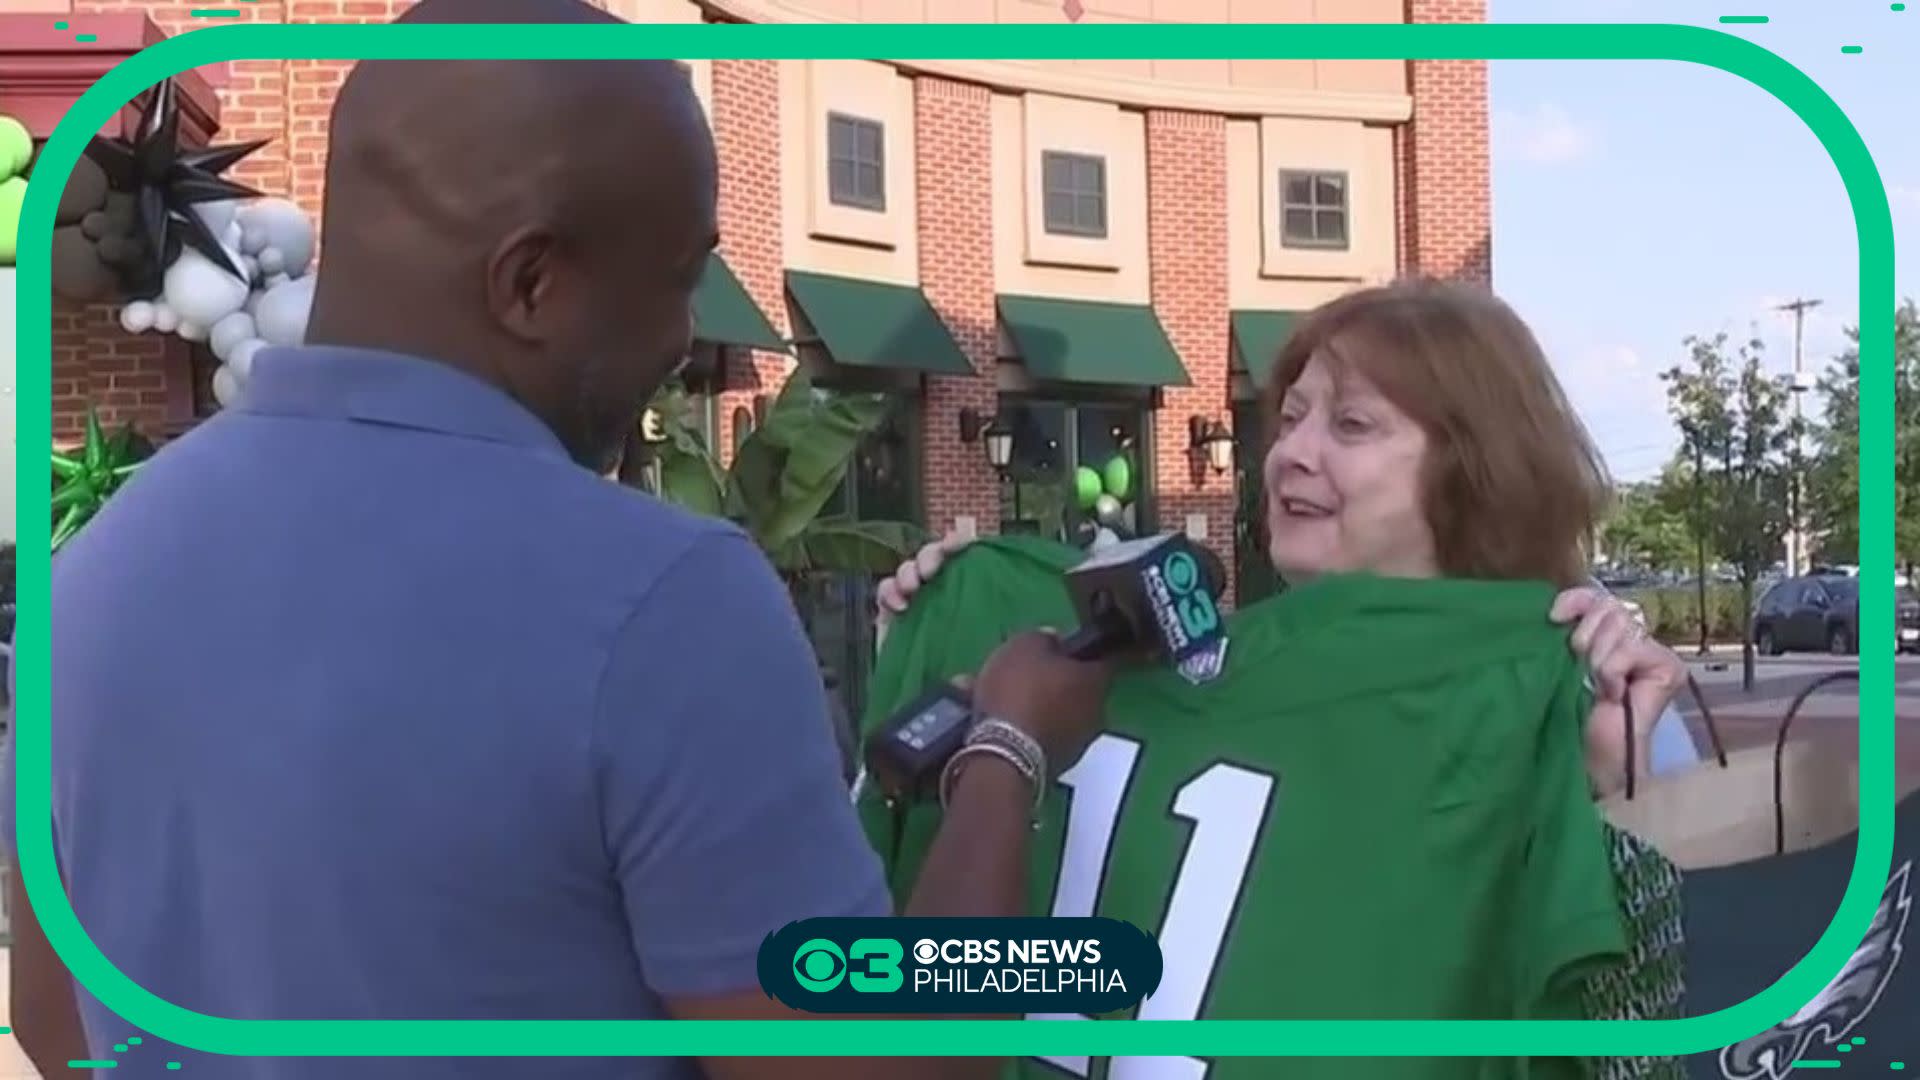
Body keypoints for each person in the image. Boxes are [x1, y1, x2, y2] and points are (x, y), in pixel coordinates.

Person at [0, 1, 1115, 1077]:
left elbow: (62, 1033)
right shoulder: (664, 603)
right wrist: (1004, 755)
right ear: (530, 283)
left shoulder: (91, 577)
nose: (684, 340)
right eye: (677, 282)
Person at [875, 285, 1694, 795]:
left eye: (1352, 423)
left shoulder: (1601, 705)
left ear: (1475, 469)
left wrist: (1610, 790)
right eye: (1294, 417)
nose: (1293, 453)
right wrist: (929, 633)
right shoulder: (1188, 678)